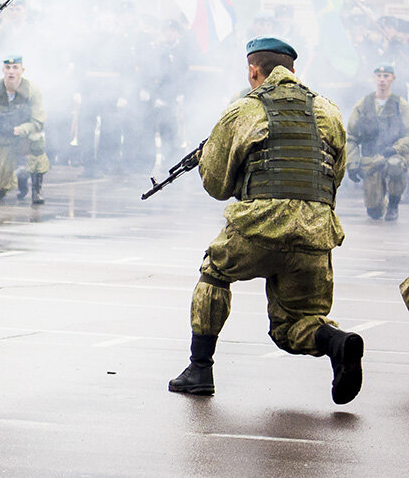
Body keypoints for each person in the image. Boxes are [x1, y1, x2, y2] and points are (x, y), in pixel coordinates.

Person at [168, 37, 363, 405]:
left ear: (252, 71)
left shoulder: (243, 110)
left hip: (259, 227)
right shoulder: (330, 111)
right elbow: (335, 173)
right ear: (293, 71)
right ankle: (337, 343)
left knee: (215, 273)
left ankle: (199, 369)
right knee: (295, 325)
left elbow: (217, 185)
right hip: (316, 233)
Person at [0, 56, 49, 204]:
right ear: (3, 70)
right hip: (2, 137)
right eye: (8, 68)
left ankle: (36, 189)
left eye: (15, 68)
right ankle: (19, 176)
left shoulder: (32, 91)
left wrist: (21, 129)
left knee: (37, 141)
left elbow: (39, 121)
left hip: (25, 135)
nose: (11, 72)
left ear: (22, 70)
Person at [345, 64, 409, 221]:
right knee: (374, 213)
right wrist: (352, 164)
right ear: (374, 78)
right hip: (371, 159)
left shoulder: (400, 104)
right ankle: (380, 203)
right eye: (379, 76)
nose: (382, 80)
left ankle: (394, 204)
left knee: (395, 166)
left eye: (386, 76)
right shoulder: (363, 105)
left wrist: (396, 148)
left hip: (394, 156)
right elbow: (352, 137)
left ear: (392, 79)